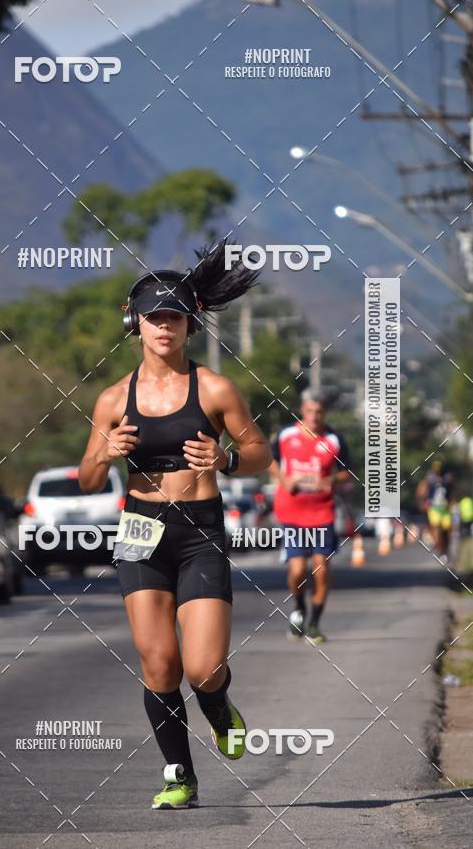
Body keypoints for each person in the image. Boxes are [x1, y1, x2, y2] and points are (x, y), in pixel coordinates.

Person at [78, 241, 272, 810]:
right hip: (141, 533)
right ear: (135, 322)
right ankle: (179, 775)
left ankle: (218, 707)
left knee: (204, 666)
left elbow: (260, 452)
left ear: (190, 323)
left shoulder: (213, 389)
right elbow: (88, 479)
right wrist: (104, 455)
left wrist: (227, 461)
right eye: (154, 317)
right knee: (159, 663)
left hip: (200, 533)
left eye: (174, 317)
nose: (164, 327)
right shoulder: (113, 399)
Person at [268, 389, 351, 644]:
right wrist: (284, 479)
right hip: (291, 512)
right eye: (310, 411)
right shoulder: (286, 435)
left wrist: (329, 479)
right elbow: (267, 461)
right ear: (302, 411)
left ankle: (314, 623)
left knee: (321, 570)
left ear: (325, 413)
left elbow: (348, 472)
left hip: (322, 512)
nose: (314, 417)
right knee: (297, 569)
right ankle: (299, 607)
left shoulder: (334, 439)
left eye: (319, 412)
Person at [416, 460, 453, 560]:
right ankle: (439, 548)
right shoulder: (429, 479)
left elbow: (452, 492)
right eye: (435, 468)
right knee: (436, 528)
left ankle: (445, 550)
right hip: (434, 508)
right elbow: (421, 491)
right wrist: (423, 503)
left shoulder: (447, 478)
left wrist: (452, 503)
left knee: (446, 530)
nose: (437, 470)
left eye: (439, 468)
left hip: (445, 509)